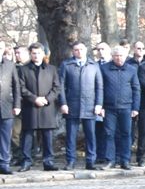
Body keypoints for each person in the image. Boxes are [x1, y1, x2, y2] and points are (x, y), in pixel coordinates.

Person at [58, 41, 104, 170]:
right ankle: (70, 161)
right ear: (73, 51)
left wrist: (99, 104)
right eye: (76, 50)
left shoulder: (94, 65)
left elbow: (99, 87)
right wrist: (63, 103)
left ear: (86, 50)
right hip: (72, 105)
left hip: (90, 106)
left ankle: (90, 161)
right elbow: (61, 86)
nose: (79, 52)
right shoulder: (66, 65)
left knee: (91, 136)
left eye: (81, 49)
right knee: (71, 136)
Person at [17, 43, 59, 172]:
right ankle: (26, 162)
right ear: (30, 54)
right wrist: (34, 98)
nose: (36, 55)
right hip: (30, 106)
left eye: (39, 53)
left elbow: (56, 87)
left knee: (47, 136)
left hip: (47, 107)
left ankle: (48, 161)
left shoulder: (52, 69)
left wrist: (47, 99)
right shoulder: (23, 70)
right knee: (28, 135)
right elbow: (21, 88)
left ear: (43, 54)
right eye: (34, 53)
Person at [100, 45, 140, 170]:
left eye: (121, 55)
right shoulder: (104, 69)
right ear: (112, 56)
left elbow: (136, 89)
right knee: (109, 134)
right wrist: (101, 106)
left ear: (125, 56)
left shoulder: (131, 69)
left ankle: (125, 160)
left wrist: (135, 108)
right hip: (109, 107)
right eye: (116, 56)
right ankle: (110, 160)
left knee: (126, 134)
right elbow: (100, 88)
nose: (119, 58)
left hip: (126, 107)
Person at [0, 40, 19, 175]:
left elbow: (16, 86)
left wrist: (17, 105)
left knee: (5, 137)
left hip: (6, 106)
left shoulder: (10, 65)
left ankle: (4, 163)